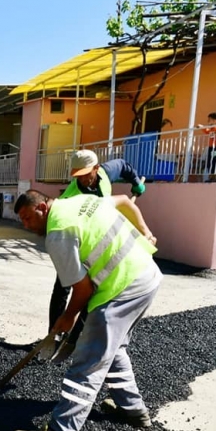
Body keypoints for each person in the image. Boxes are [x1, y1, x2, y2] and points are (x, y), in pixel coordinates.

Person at [12, 190, 161, 431]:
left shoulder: (58, 234)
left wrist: (68, 317)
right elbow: (125, 201)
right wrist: (145, 231)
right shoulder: (82, 202)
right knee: (114, 349)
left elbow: (83, 289)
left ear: (42, 209)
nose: (25, 225)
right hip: (147, 275)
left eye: (27, 217)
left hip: (121, 288)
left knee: (88, 360)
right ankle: (134, 410)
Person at [42, 149, 146, 362]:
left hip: (98, 247)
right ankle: (55, 333)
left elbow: (124, 166)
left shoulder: (106, 173)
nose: (81, 178)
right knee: (63, 286)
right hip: (74, 244)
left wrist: (136, 183)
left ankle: (77, 338)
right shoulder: (70, 196)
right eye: (77, 175)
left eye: (85, 174)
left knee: (92, 291)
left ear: (97, 169)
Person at [197, 111, 216, 181]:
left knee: (213, 160)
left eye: (209, 119)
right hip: (211, 147)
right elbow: (207, 131)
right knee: (210, 161)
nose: (208, 121)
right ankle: (213, 176)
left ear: (214, 120)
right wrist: (202, 127)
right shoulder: (212, 127)